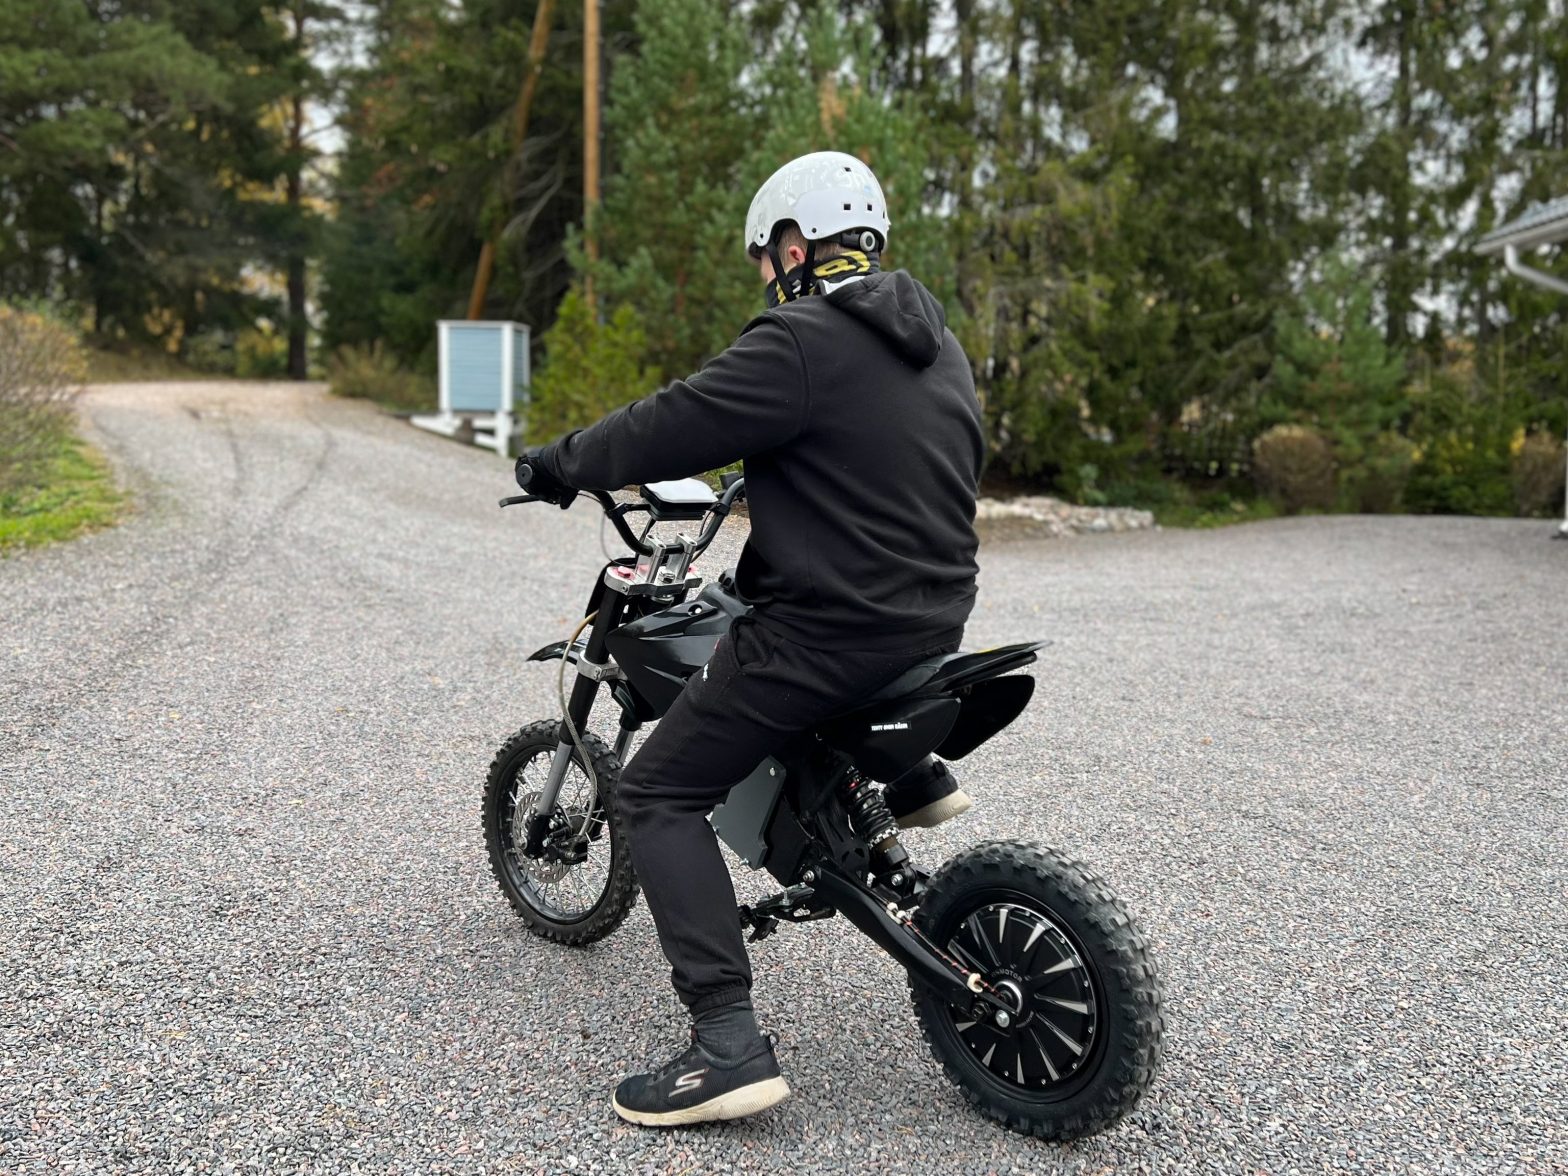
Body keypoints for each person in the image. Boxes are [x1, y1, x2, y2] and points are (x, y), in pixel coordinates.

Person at [519, 150, 984, 1127]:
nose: (763, 279)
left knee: (654, 791)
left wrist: (561, 462)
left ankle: (724, 1045)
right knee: (742, 611)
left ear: (789, 246)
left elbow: (668, 424)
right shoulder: (937, 346)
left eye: (762, 260)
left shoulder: (802, 340)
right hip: (932, 619)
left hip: (832, 635)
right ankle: (908, 781)